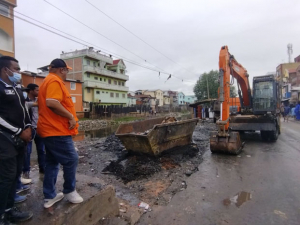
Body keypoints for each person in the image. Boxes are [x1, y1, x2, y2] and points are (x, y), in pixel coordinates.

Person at [37, 59, 83, 209]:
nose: (66, 73)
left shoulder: (46, 81)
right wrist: (70, 117)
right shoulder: (54, 82)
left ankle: (49, 196)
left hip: (49, 130)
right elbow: (52, 103)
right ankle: (69, 191)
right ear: (61, 70)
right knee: (71, 159)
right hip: (56, 131)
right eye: (67, 70)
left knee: (52, 162)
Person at [0, 56, 33, 224]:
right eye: (16, 68)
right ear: (6, 69)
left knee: (15, 175)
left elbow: (24, 110)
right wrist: (19, 131)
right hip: (4, 139)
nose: (19, 72)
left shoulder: (17, 88)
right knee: (6, 176)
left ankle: (9, 210)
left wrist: (28, 127)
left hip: (20, 139)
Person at [23, 84, 45, 179]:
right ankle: (26, 172)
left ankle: (43, 169)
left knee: (42, 150)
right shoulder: (24, 100)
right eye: (37, 90)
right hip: (29, 129)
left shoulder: (38, 100)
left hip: (39, 128)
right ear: (31, 91)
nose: (38, 92)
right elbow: (24, 106)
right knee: (27, 152)